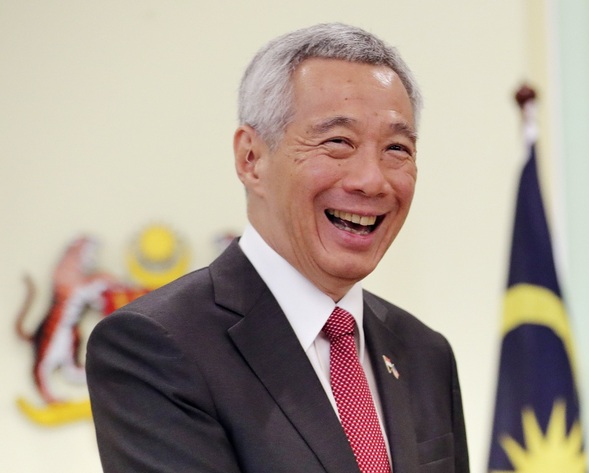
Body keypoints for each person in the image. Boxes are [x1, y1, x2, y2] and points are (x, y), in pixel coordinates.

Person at [86, 23, 470, 473]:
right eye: (338, 142)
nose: (372, 180)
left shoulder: (425, 353)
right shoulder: (156, 345)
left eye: (396, 148)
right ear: (251, 158)